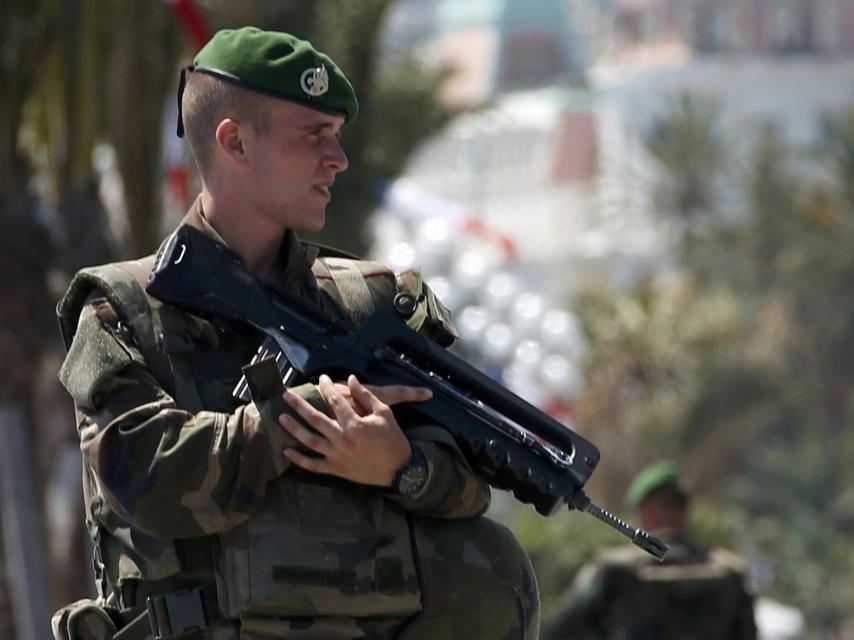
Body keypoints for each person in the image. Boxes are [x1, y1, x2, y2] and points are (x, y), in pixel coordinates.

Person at [52, 27, 538, 640]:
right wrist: (297, 421)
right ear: (234, 143)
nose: (338, 159)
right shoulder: (121, 307)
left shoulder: (375, 301)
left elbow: (469, 482)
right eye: (313, 136)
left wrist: (401, 465)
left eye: (336, 136)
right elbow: (143, 476)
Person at [540, 461, 756, 640]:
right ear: (683, 508)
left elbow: (558, 630)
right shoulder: (730, 573)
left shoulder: (613, 568)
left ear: (648, 508)